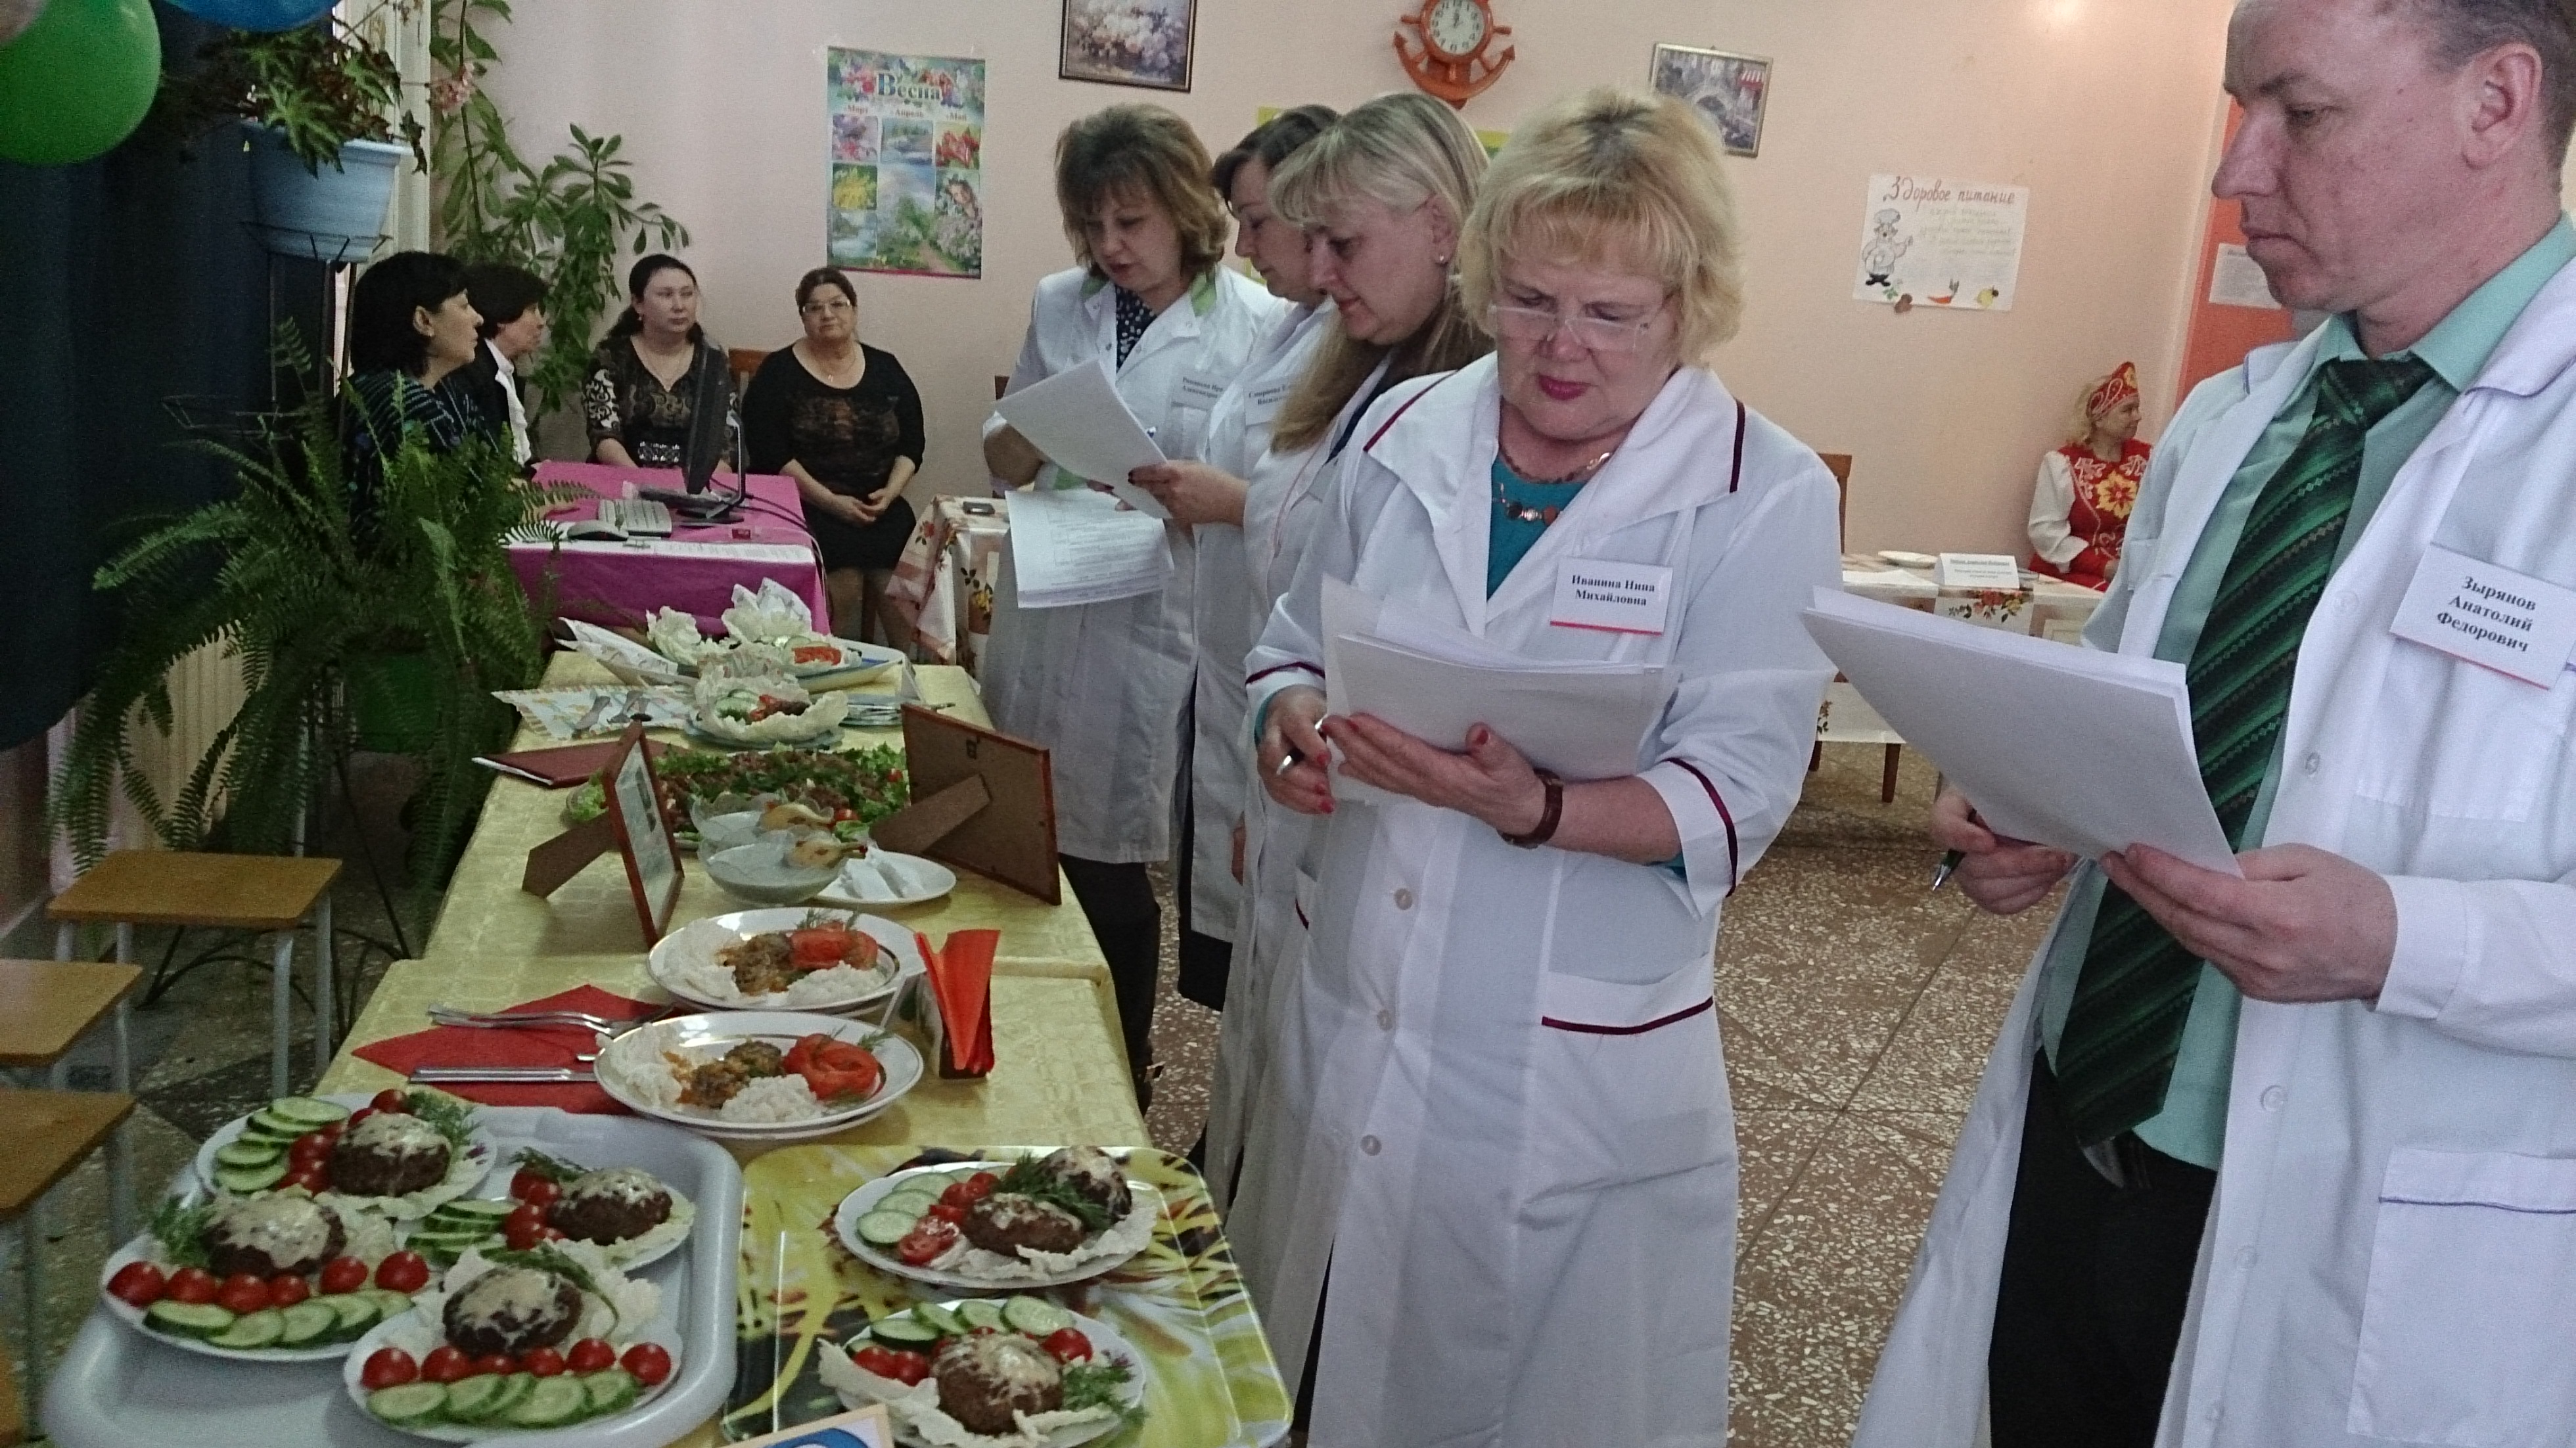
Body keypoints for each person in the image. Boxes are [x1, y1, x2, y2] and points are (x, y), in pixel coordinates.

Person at [1856, 2, 2576, 1444]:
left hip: (2376, 1234)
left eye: (2300, 114)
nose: (2234, 171)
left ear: (2496, 103)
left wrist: (2403, 939)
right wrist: (2020, 804)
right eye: (2241, 111)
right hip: (2081, 1143)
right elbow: (2121, 709)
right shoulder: (2232, 423)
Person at [1237, 87, 1839, 1444]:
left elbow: (1738, 790)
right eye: (1529, 301)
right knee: (1320, 1357)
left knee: (1537, 1397)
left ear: (1689, 307)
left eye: (1611, 313)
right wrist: (1290, 723)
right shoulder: (1403, 432)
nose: (1562, 346)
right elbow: (1289, 643)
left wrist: (1539, 806)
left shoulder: (1763, 494)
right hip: (1357, 999)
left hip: (1564, 1067)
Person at [1142, 91, 1493, 1210]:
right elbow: (1302, 600)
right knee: (1268, 1046)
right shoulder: (1353, 360)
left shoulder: (1472, 400)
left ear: (1441, 225)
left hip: (1383, 802)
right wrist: (1272, 731)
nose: (1319, 269)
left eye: (1343, 241)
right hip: (1295, 760)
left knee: (1326, 1084)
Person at [979, 104, 1284, 1097]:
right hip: (1050, 591)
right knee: (1024, 844)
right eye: (1092, 225)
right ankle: (1015, 1053)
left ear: (1187, 209)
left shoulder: (1257, 322)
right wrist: (1024, 434)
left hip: (1154, 615)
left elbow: (1273, 492)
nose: (1110, 246)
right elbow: (1004, 451)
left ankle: (1119, 1072)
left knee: (1113, 864)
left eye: (1131, 221)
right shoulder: (1060, 302)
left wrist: (1209, 495)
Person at [1112, 102, 1337, 1078]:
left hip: (1293, 670)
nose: (1244, 247)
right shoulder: (1292, 329)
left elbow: (1344, 521)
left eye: (1257, 222)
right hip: (1235, 654)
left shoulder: (1360, 346)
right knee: (1240, 943)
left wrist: (1231, 502)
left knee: (1286, 955)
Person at [743, 267, 925, 640]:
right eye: (815, 308)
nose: (827, 314)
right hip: (806, 504)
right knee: (845, 582)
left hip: (879, 505)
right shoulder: (777, 372)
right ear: (803, 317)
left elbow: (913, 443)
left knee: (900, 588)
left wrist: (891, 493)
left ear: (854, 311)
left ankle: (905, 666)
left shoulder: (886, 367)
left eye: (838, 304)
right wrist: (831, 502)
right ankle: (827, 662)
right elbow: (770, 454)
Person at [342, 250, 492, 491]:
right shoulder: (399, 403)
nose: (479, 319)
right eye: (464, 306)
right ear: (423, 321)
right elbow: (477, 502)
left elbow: (495, 476)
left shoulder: (448, 392)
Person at [584, 254, 736, 475]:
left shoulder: (712, 360)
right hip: (622, 478)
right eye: (666, 295)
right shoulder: (611, 356)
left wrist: (696, 485)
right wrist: (643, 481)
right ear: (638, 304)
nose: (679, 306)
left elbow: (728, 442)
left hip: (694, 485)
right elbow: (604, 436)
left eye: (687, 294)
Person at [2026, 361, 2149, 589]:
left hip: (2128, 571)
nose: (2138, 416)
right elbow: (2046, 532)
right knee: (2115, 599)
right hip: (2074, 571)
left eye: (2137, 408)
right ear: (2099, 418)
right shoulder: (2062, 464)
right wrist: (2104, 566)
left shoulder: (2148, 458)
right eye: (2127, 410)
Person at [457, 261, 548, 468]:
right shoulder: (473, 373)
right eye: (532, 310)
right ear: (503, 314)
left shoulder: (504, 368)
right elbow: (489, 465)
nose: (541, 322)